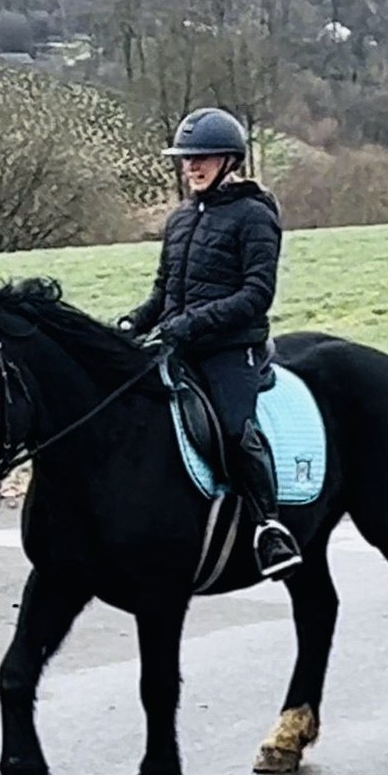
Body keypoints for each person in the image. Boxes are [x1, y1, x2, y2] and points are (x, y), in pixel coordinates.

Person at [117, 107, 303, 581]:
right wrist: (131, 324)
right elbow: (164, 292)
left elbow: (256, 295)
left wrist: (192, 325)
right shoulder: (181, 219)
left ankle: (269, 527)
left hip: (231, 349)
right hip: (180, 343)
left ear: (229, 161)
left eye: (203, 158)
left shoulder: (254, 216)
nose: (191, 167)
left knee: (234, 428)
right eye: (186, 159)